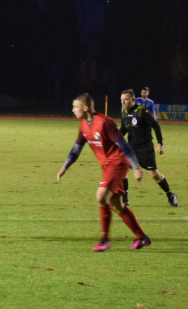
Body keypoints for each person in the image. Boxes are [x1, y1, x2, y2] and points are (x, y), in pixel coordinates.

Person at [56, 93, 150, 251]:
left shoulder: (106, 123)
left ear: (85, 108)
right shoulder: (84, 125)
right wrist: (65, 167)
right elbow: (76, 149)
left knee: (101, 196)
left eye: (75, 107)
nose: (72, 110)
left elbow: (124, 145)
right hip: (107, 166)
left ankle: (104, 240)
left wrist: (136, 168)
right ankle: (142, 237)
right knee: (117, 205)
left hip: (118, 163)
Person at [120, 89, 177, 207]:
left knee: (154, 174)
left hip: (145, 148)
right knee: (123, 170)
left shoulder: (142, 112)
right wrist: (113, 137)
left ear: (133, 99)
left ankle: (170, 194)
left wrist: (160, 144)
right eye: (122, 100)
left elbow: (155, 125)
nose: (123, 102)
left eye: (126, 99)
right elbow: (123, 130)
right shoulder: (124, 113)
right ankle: (125, 199)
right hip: (131, 148)